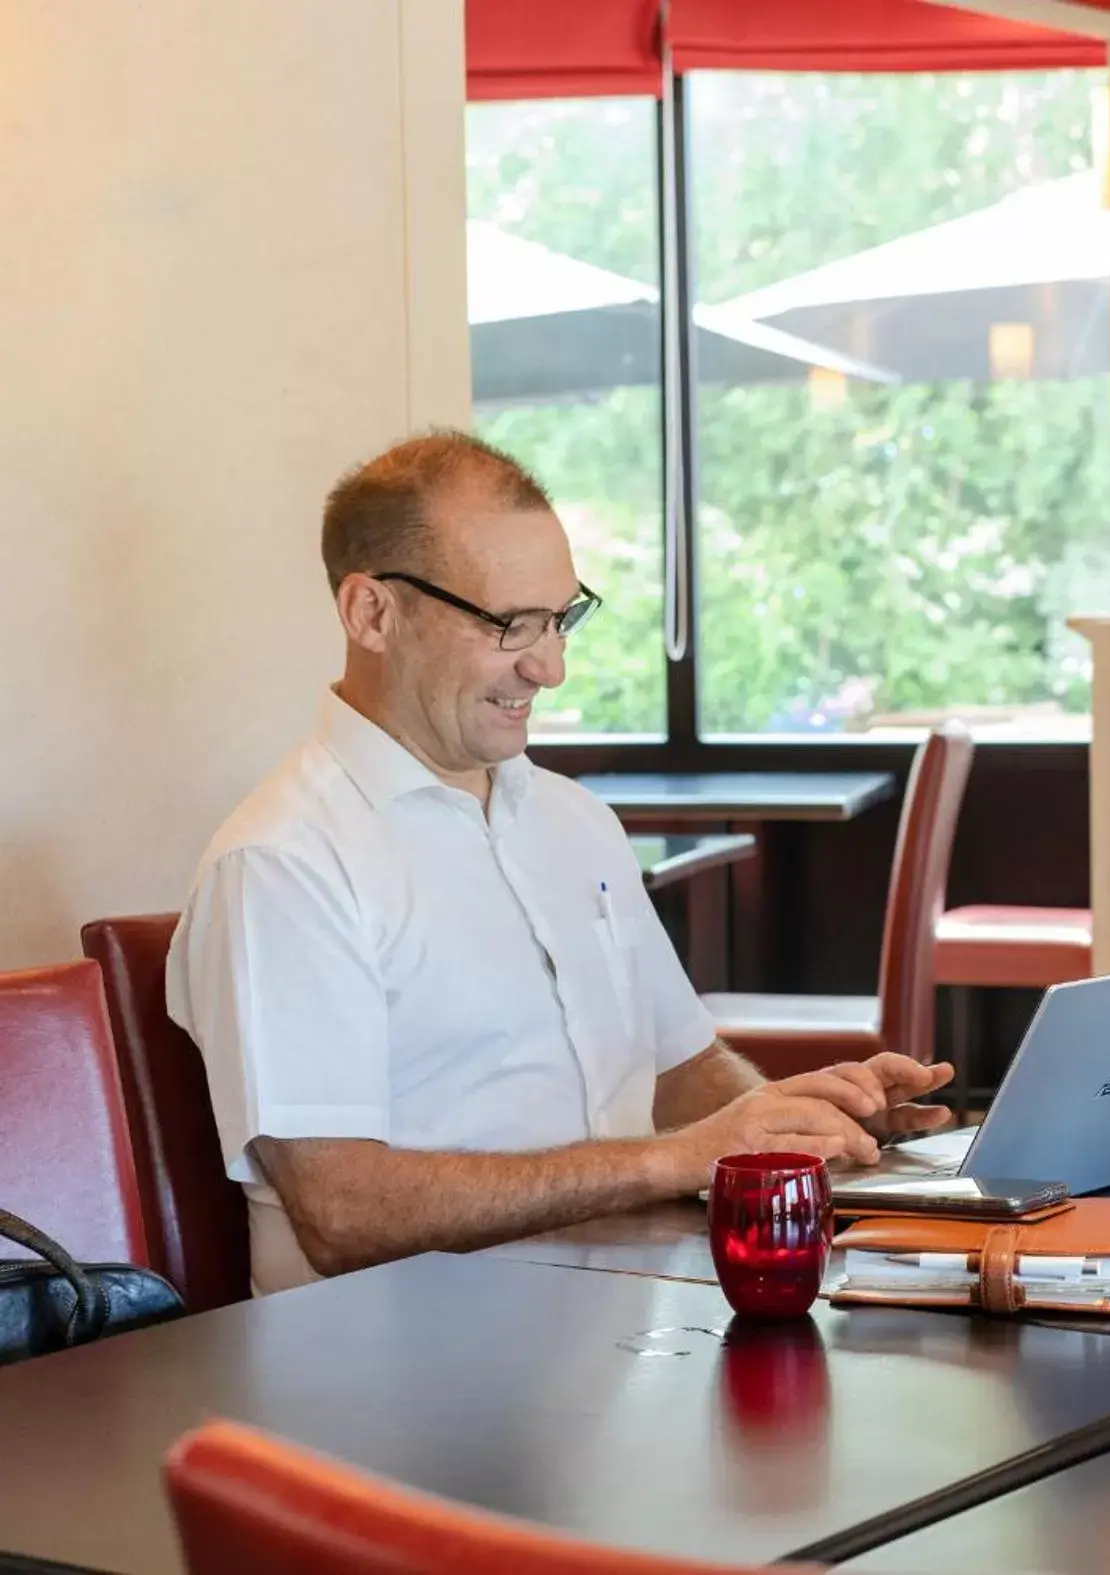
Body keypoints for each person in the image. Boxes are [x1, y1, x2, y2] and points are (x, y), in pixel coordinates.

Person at [168, 431, 953, 1294]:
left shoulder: (574, 821)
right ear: (371, 614)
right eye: (511, 625)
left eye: (561, 617)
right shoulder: (284, 863)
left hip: (627, 1323)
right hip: (402, 1378)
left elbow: (679, 1069)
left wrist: (794, 1125)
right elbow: (343, 1212)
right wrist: (670, 1162)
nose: (551, 666)